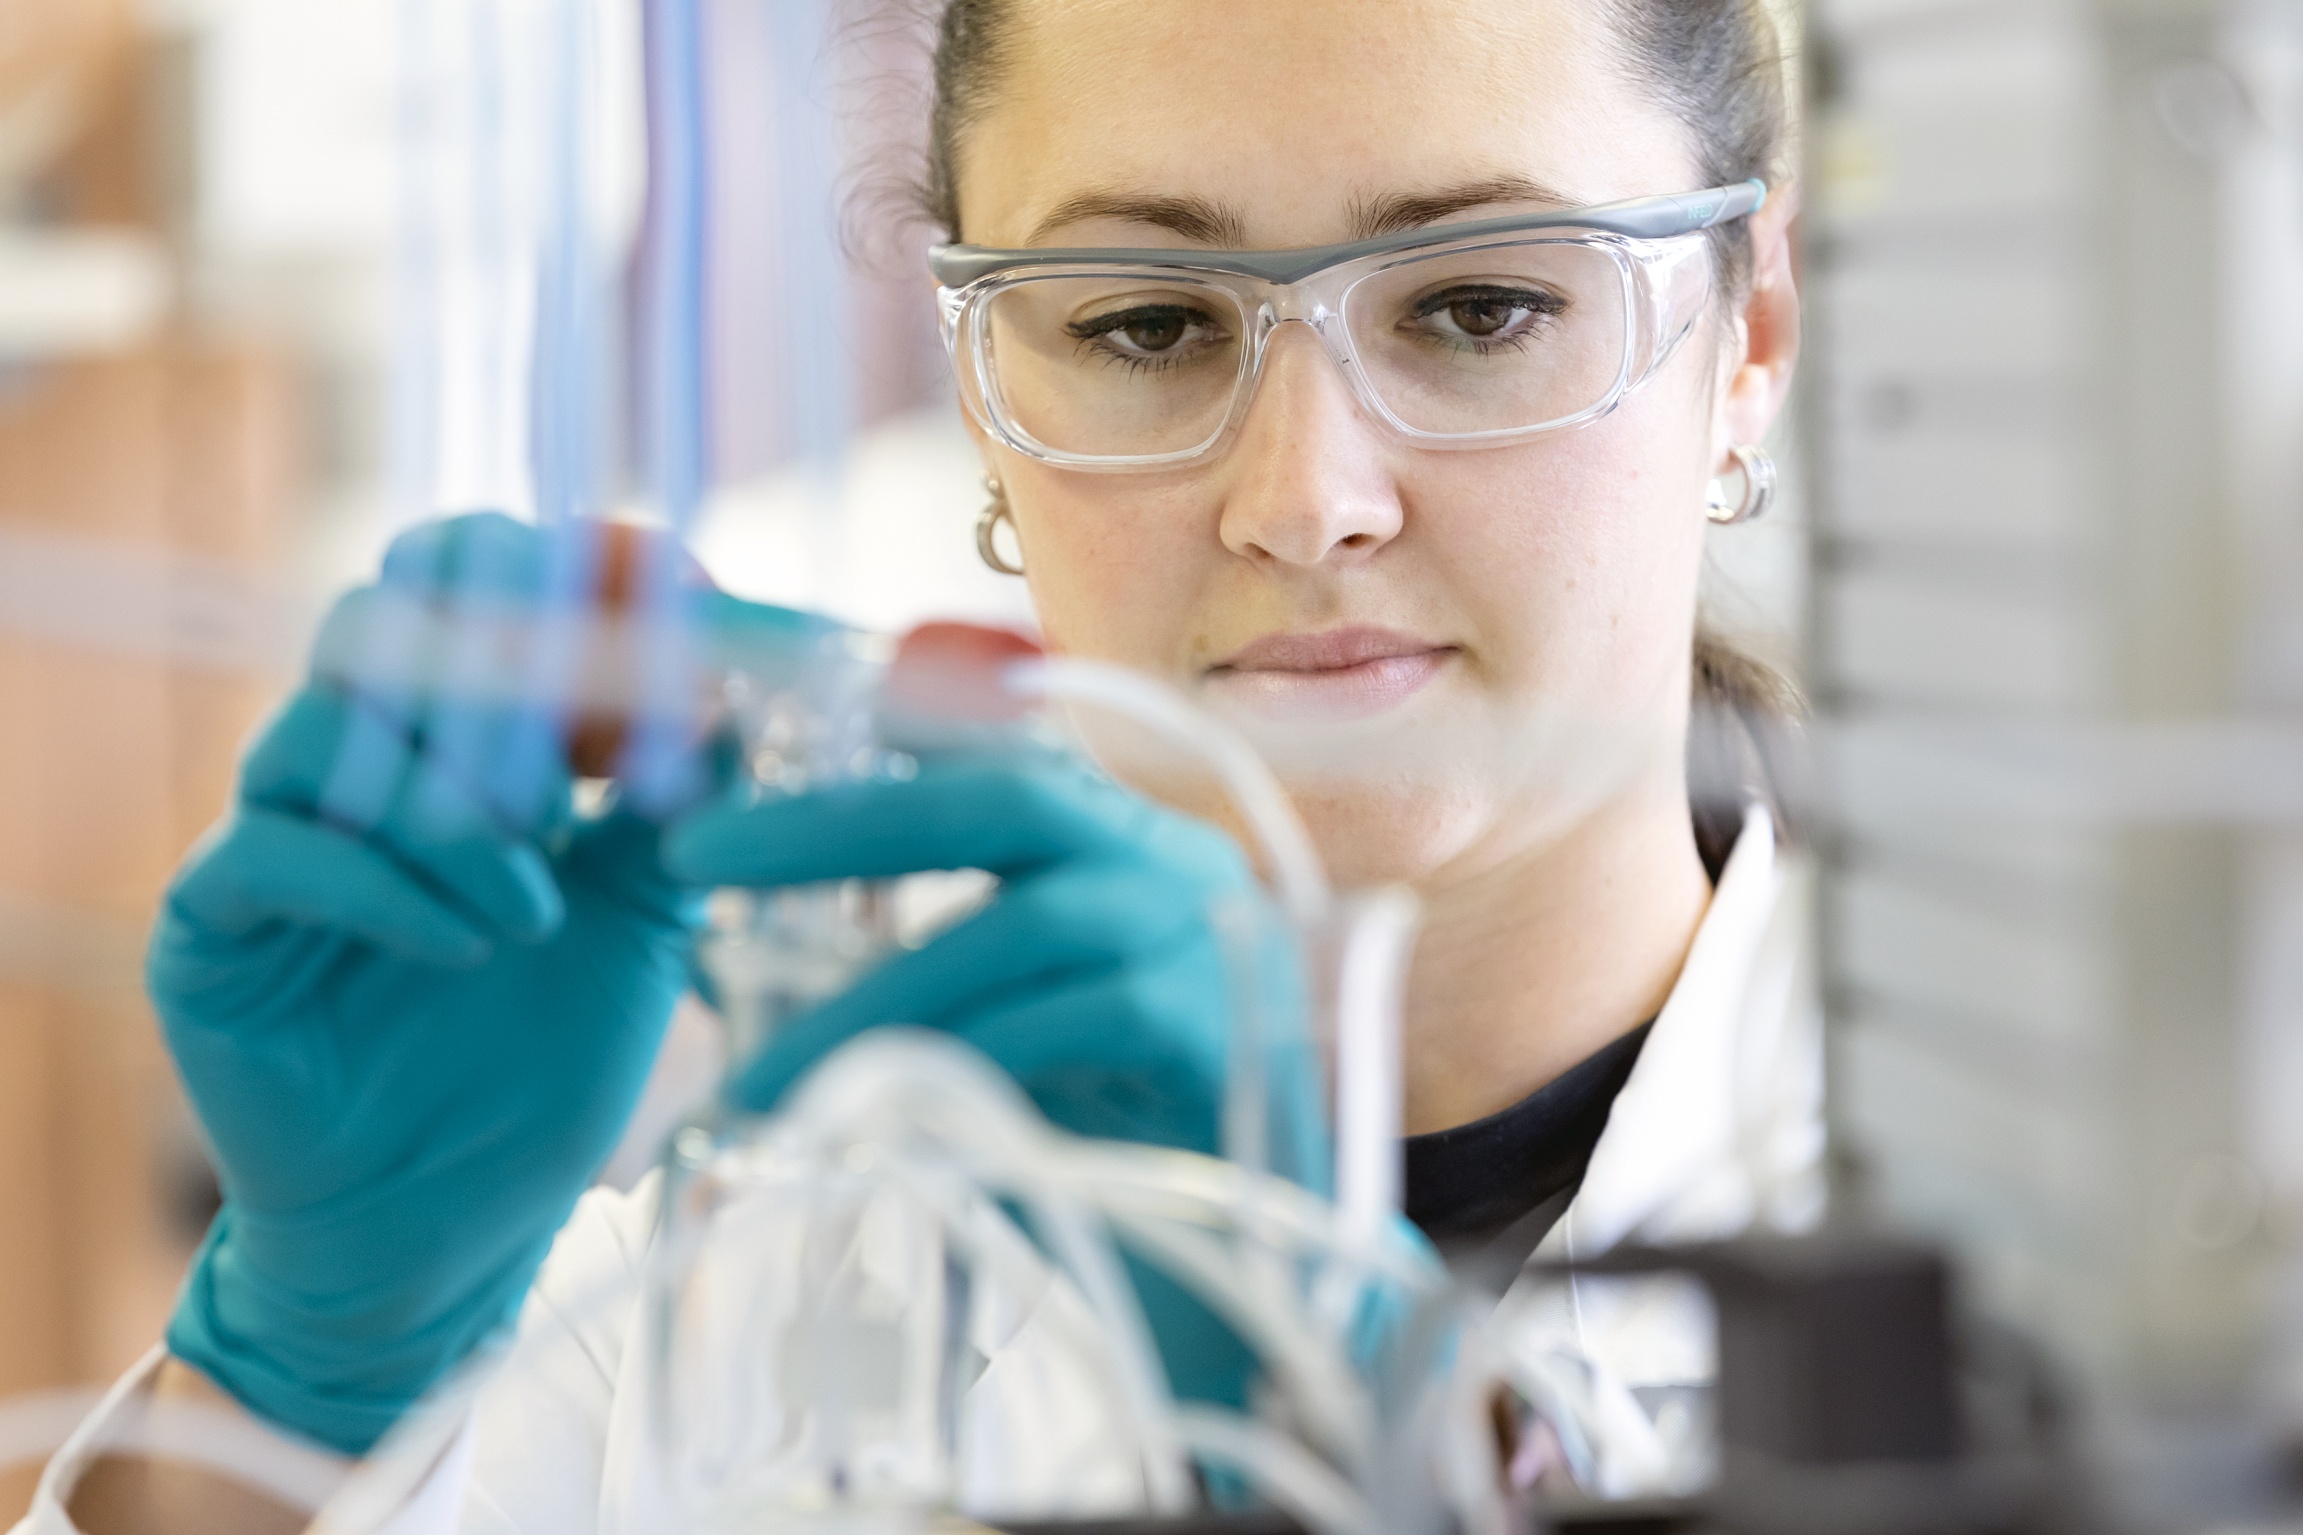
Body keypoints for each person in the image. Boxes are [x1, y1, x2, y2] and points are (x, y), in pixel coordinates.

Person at [22, 0, 1817, 1528]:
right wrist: (299, 1385)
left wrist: (1367, 1443)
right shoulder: (724, 1323)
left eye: (1482, 305)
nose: (1302, 500)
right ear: (984, 399)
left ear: (1747, 338)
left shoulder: (2040, 1220)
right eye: (1145, 326)